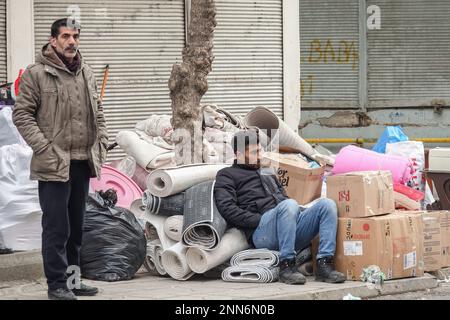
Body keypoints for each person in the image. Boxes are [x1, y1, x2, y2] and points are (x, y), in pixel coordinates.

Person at [13, 18, 109, 300]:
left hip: (82, 161)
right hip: (53, 164)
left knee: (76, 227)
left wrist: (101, 140)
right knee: (57, 228)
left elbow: (98, 111)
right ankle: (56, 286)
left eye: (75, 36)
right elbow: (22, 114)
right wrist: (43, 147)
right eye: (66, 36)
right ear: (53, 40)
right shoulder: (36, 74)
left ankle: (73, 280)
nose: (71, 42)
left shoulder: (86, 72)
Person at [214, 130, 345, 285]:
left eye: (260, 150)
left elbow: (284, 198)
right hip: (262, 232)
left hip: (288, 227)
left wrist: (301, 212)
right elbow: (227, 209)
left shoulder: (267, 171)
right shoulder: (226, 175)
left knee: (326, 205)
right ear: (239, 154)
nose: (260, 155)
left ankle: (324, 265)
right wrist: (260, 219)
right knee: (289, 205)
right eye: (255, 152)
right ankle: (287, 266)